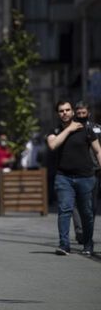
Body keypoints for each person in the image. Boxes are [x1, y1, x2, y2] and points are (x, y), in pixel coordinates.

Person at [47, 100, 101, 256]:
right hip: (64, 177)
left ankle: (88, 244)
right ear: (58, 114)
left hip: (86, 177)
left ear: (72, 112)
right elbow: (53, 145)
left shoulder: (86, 129)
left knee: (87, 213)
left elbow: (98, 150)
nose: (64, 113)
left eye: (67, 110)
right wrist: (69, 129)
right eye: (61, 111)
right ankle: (64, 245)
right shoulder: (55, 130)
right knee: (64, 210)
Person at [71, 101, 101, 244]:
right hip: (76, 170)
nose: (81, 115)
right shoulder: (71, 129)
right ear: (75, 114)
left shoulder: (97, 129)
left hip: (94, 171)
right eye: (79, 113)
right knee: (76, 203)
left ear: (88, 113)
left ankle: (88, 232)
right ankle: (80, 231)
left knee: (92, 205)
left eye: (84, 113)